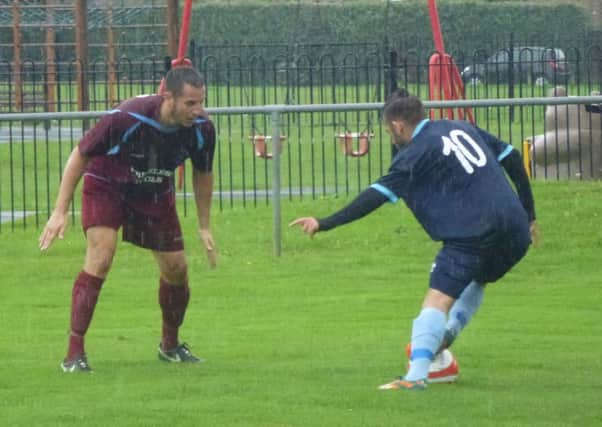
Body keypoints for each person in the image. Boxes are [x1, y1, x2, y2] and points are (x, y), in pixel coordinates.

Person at [291, 89, 538, 391]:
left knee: (437, 299)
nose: (390, 137)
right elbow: (512, 157)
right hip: (515, 229)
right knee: (479, 278)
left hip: (473, 233)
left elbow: (374, 197)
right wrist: (530, 215)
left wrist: (324, 222)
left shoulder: (416, 153)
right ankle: (445, 336)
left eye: (387, 131)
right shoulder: (459, 126)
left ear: (397, 126)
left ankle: (415, 377)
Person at [38, 67, 217, 373]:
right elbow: (80, 155)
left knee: (177, 268)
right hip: (107, 184)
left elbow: (203, 174)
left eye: (200, 102)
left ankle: (170, 346)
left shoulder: (202, 129)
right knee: (102, 256)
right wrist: (59, 210)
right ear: (168, 98)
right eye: (190, 103)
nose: (197, 110)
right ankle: (74, 354)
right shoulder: (129, 117)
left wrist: (203, 226)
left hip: (153, 190)